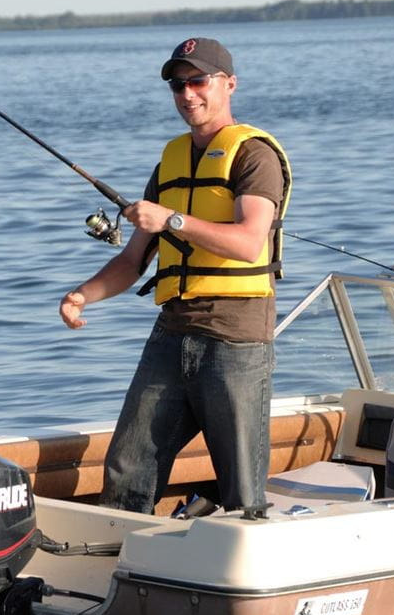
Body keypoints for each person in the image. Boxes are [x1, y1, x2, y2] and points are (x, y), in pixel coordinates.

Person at [59, 37, 291, 513]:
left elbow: (250, 243)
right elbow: (132, 261)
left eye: (198, 81)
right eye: (177, 85)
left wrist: (172, 220)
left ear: (229, 84)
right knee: (127, 466)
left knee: (242, 488)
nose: (188, 94)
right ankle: (120, 553)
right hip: (172, 332)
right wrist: (81, 295)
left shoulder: (254, 155)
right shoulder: (169, 162)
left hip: (236, 337)